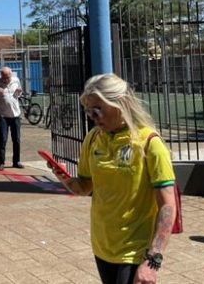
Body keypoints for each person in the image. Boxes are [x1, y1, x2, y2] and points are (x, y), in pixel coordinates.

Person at [49, 74, 176, 284]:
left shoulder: (149, 143)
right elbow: (84, 187)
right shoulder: (93, 139)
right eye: (89, 111)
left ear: (119, 103)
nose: (93, 116)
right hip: (102, 246)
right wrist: (64, 178)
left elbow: (168, 205)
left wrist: (153, 260)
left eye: (98, 109)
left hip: (135, 249)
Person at [0, 67, 23, 170]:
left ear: (11, 75)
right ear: (1, 76)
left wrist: (19, 91)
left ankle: (16, 161)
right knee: (3, 139)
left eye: (8, 77)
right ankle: (1, 162)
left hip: (15, 114)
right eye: (4, 78)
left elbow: (19, 93)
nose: (6, 80)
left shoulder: (16, 80)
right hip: (3, 115)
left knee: (16, 139)